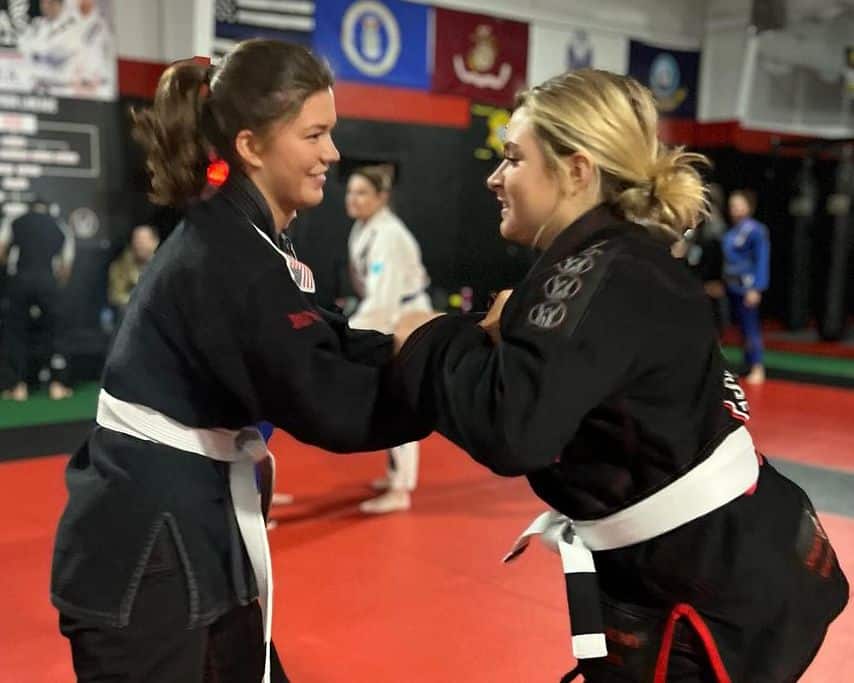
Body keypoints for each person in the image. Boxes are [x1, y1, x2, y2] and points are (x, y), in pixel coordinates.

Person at [392, 69, 848, 682]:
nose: (495, 177)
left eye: (513, 158)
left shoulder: (596, 274)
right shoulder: (625, 259)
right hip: (727, 561)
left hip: (708, 592)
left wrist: (426, 341)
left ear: (577, 170)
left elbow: (513, 429)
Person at [51, 40, 431, 683]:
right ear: (252, 147)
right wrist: (456, 375)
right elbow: (329, 403)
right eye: (315, 134)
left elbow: (328, 339)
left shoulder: (246, 233)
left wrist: (447, 338)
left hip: (186, 530)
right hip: (151, 558)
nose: (333, 155)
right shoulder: (229, 259)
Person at [345, 164, 432, 514]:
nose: (353, 199)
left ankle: (401, 489)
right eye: (351, 192)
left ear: (382, 197)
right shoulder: (365, 228)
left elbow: (382, 300)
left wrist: (346, 334)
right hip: (389, 317)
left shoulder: (389, 236)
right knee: (390, 401)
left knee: (402, 402)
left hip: (405, 319)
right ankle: (395, 476)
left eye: (362, 193)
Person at [0, 199, 74, 401]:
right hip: (48, 282)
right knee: (57, 331)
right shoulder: (60, 226)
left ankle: (17, 387)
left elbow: (1, 250)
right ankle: (57, 385)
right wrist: (53, 285)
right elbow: (65, 267)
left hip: (19, 281)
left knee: (15, 332)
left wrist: (10, 275)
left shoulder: (14, 221)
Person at [723, 189, 770, 384]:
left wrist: (757, 287)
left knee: (751, 327)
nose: (735, 209)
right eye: (732, 205)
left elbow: (762, 260)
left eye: (739, 204)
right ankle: (747, 362)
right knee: (740, 328)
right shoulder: (731, 231)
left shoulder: (756, 230)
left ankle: (757, 367)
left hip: (747, 286)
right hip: (731, 285)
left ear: (749, 207)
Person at [107, 223, 159, 321]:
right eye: (136, 239)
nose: (139, 244)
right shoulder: (120, 266)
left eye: (143, 240)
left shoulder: (163, 266)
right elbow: (116, 296)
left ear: (155, 242)